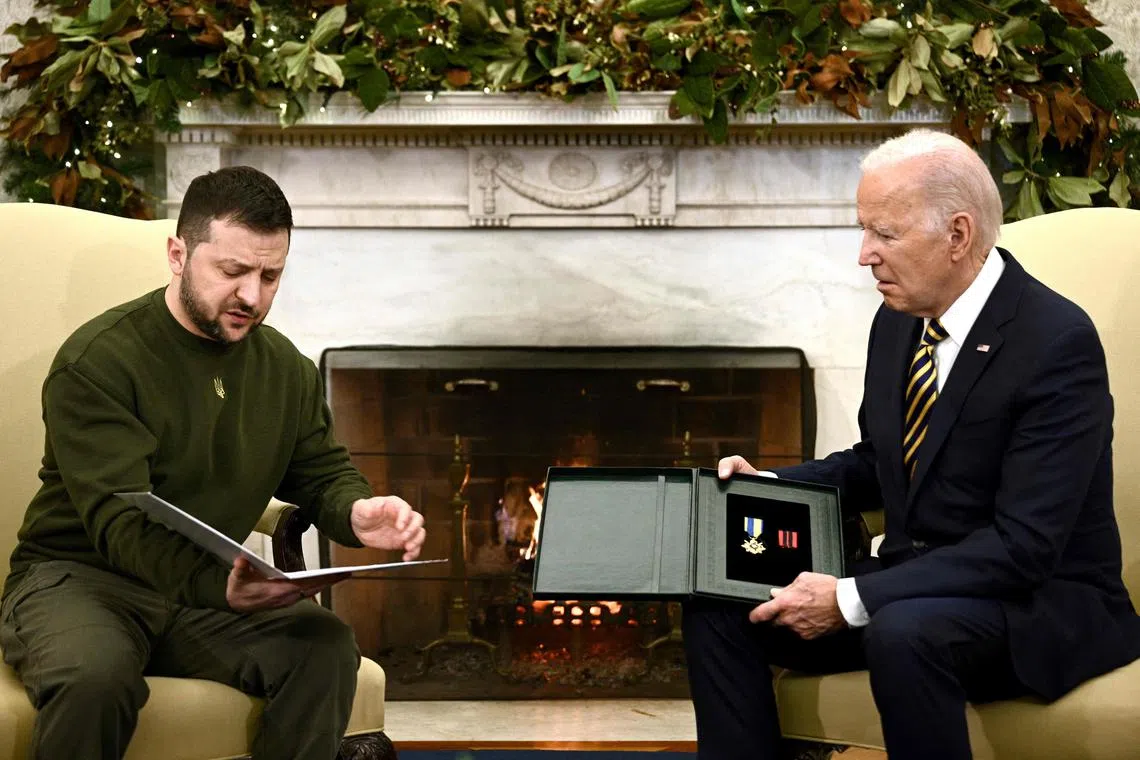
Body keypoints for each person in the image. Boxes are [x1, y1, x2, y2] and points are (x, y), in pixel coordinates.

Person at [682, 130, 1140, 760]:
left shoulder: (1057, 342)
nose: (865, 255)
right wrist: (774, 485)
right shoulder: (899, 320)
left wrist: (847, 599)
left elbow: (1024, 548)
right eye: (863, 230)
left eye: (885, 235)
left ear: (957, 235)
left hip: (1037, 605)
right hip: (916, 585)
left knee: (902, 631)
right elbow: (880, 461)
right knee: (721, 604)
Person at [0, 166, 426, 760]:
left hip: (203, 592)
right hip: (81, 579)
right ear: (178, 255)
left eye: (270, 275)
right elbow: (123, 525)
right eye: (232, 272)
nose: (253, 296)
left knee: (322, 644)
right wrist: (223, 589)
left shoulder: (286, 370)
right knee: (92, 680)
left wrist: (357, 511)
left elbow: (320, 473)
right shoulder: (98, 362)